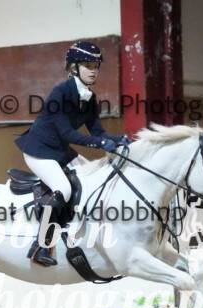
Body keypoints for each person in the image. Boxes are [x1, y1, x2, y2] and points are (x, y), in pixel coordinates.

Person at [15, 41, 129, 266]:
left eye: (96, 66)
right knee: (64, 189)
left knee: (89, 179)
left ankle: (84, 232)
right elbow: (68, 133)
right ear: (74, 68)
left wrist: (120, 140)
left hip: (59, 150)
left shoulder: (90, 98)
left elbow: (98, 132)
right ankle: (40, 245)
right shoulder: (60, 92)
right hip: (39, 150)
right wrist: (101, 144)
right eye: (88, 65)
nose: (93, 70)